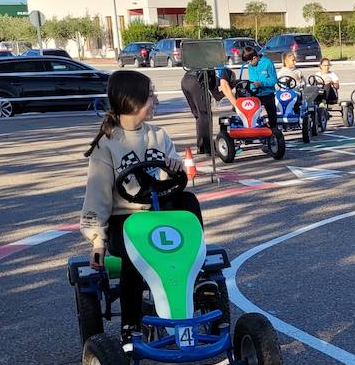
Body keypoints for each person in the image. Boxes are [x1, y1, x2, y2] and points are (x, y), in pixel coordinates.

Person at [80, 70, 203, 335]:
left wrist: (175, 167)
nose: (155, 99)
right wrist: (97, 241)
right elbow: (97, 196)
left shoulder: (158, 135)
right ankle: (131, 324)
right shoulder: (107, 145)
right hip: (124, 221)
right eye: (150, 95)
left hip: (157, 212)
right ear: (133, 101)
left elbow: (177, 172)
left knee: (188, 200)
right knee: (137, 258)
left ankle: (193, 268)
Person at [181, 63, 237, 155]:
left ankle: (201, 146)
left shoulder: (213, 76)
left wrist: (230, 87)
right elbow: (224, 86)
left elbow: (217, 96)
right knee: (205, 116)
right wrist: (234, 100)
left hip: (186, 81)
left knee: (199, 116)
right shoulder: (224, 72)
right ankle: (208, 148)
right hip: (196, 81)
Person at [240, 46, 279, 124]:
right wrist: (250, 87)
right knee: (252, 115)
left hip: (268, 94)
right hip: (255, 95)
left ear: (254, 58)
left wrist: (261, 83)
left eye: (249, 62)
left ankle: (273, 130)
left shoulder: (268, 63)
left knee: (272, 117)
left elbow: (273, 80)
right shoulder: (250, 66)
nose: (249, 64)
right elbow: (251, 80)